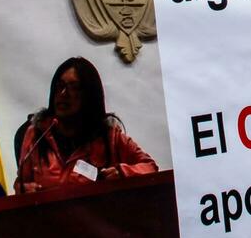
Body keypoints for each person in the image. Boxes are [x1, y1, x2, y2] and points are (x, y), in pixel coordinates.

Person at [14, 57, 158, 195]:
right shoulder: (37, 134)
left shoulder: (108, 137)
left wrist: (122, 172)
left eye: (74, 88)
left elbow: (150, 167)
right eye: (60, 86)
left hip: (96, 217)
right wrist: (25, 189)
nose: (63, 94)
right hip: (47, 218)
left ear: (89, 95)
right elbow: (21, 184)